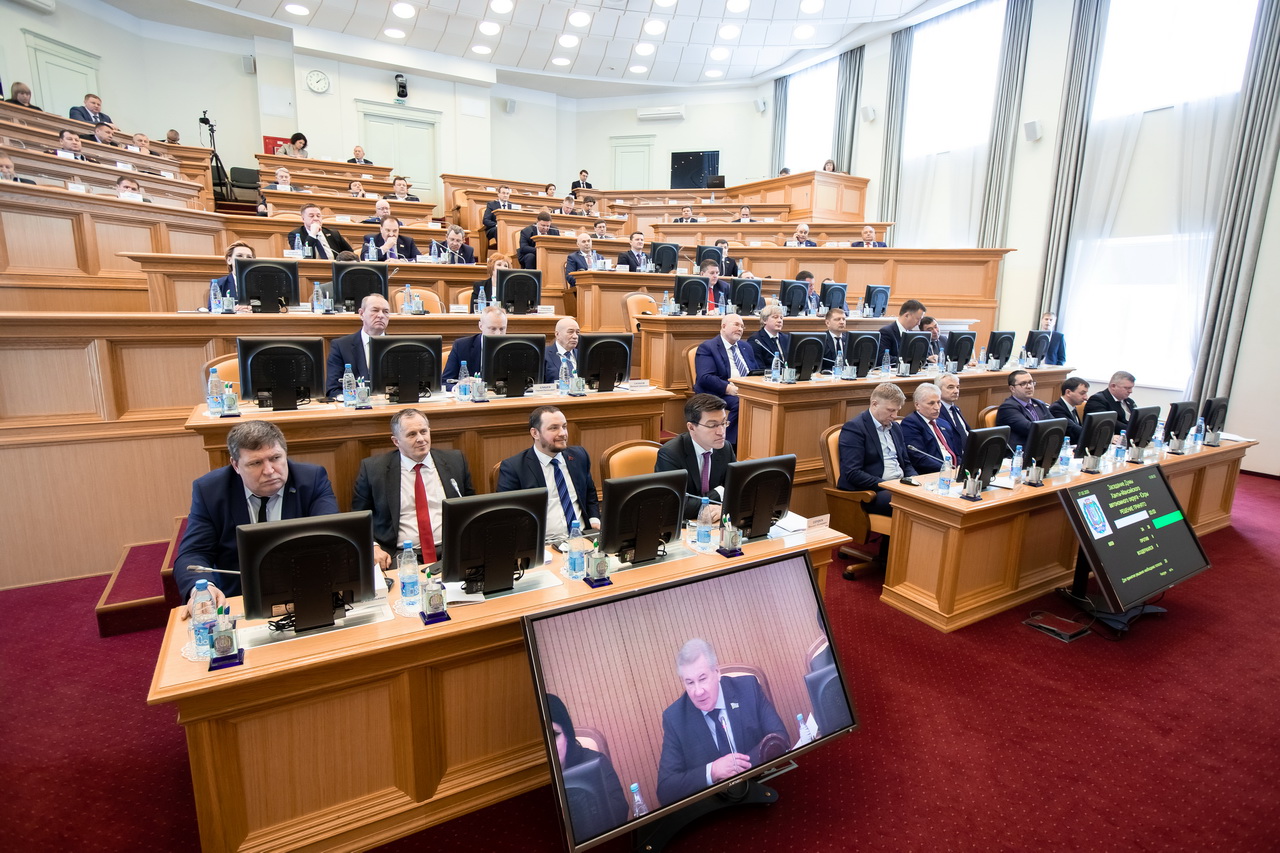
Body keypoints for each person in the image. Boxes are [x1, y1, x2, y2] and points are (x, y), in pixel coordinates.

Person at [173, 421, 338, 608]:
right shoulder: (210, 491)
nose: (269, 471)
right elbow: (193, 553)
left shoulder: (312, 480)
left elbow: (331, 539)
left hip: (305, 594)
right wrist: (201, 590)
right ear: (236, 465)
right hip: (238, 598)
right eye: (256, 463)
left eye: (275, 458)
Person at [655, 638, 788, 807]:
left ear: (717, 672)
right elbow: (666, 790)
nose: (698, 691)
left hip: (764, 790)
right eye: (690, 682)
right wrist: (713, 771)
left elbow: (779, 737)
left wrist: (739, 767)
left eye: (702, 678)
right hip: (717, 807)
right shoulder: (675, 718)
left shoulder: (748, 689)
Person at [351, 408, 474, 568]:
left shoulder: (455, 461)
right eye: (412, 434)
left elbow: (471, 506)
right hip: (399, 554)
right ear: (396, 441)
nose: (421, 439)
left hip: (452, 548)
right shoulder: (374, 469)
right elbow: (358, 518)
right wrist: (373, 547)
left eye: (423, 431)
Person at [497, 406, 601, 540]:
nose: (563, 433)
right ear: (535, 433)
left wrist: (594, 520)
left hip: (583, 537)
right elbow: (508, 515)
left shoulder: (579, 456)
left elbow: (590, 494)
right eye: (554, 428)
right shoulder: (514, 468)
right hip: (543, 544)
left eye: (564, 426)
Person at [546, 693, 628, 843]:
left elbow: (620, 812)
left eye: (554, 735)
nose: (548, 747)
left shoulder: (595, 762)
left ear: (567, 735)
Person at [837, 382, 917, 516]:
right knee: (912, 504)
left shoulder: (895, 427)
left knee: (928, 498)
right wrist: (888, 485)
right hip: (872, 491)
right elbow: (853, 473)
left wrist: (915, 480)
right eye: (891, 410)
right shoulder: (855, 428)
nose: (895, 415)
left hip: (898, 485)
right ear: (874, 404)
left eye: (897, 410)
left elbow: (906, 463)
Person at [656, 394, 737, 520]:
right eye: (712, 425)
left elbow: (735, 489)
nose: (721, 432)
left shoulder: (725, 448)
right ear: (691, 427)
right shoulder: (671, 453)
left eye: (723, 423)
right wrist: (718, 494)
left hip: (714, 521)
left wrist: (722, 508)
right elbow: (674, 504)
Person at [693, 313, 758, 445]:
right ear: (723, 326)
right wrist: (729, 388)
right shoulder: (708, 347)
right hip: (720, 392)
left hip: (747, 390)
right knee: (742, 403)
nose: (740, 329)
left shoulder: (746, 347)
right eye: (736, 325)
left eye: (742, 326)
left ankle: (755, 442)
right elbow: (705, 377)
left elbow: (755, 371)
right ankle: (728, 445)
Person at [325, 293, 392, 398]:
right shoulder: (341, 346)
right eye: (375, 310)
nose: (381, 315)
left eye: (385, 312)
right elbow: (333, 389)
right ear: (361, 314)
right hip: (355, 405)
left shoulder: (398, 346)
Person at [900, 383, 960, 474]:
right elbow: (919, 457)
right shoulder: (910, 423)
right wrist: (947, 470)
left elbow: (956, 453)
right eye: (931, 403)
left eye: (938, 402)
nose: (937, 407)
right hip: (932, 474)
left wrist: (961, 467)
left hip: (953, 472)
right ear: (917, 405)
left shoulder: (944, 424)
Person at [442, 305, 507, 383]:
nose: (498, 334)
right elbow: (445, 382)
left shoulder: (512, 348)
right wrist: (460, 385)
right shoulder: (461, 346)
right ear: (480, 326)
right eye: (493, 329)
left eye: (502, 329)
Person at [996, 370, 1053, 448]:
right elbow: (1030, 429)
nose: (1029, 386)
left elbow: (1055, 424)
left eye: (1031, 382)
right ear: (1012, 388)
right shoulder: (1007, 408)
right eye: (1023, 384)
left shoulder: (1039, 404)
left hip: (1042, 448)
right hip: (1020, 452)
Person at [287, 203, 354, 259]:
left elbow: (350, 253)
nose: (316, 218)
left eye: (318, 216)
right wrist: (312, 235)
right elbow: (301, 256)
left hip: (335, 268)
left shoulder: (333, 233)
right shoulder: (295, 234)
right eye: (311, 216)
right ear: (303, 219)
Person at [878, 299, 927, 363]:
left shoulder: (911, 333)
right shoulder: (886, 332)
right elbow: (882, 358)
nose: (919, 323)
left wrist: (927, 359)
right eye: (918, 319)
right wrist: (908, 361)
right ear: (907, 315)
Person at [936, 372, 970, 456]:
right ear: (938, 390)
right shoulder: (936, 412)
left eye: (957, 387)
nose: (956, 391)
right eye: (950, 387)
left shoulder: (956, 409)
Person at [1049, 376, 1089, 444]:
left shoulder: (1072, 407)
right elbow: (1074, 429)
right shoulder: (1056, 409)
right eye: (1082, 393)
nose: (1086, 397)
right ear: (1068, 392)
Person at [215, 241, 255, 307]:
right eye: (239, 256)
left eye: (249, 257)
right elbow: (213, 308)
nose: (245, 260)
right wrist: (234, 309)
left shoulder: (259, 283)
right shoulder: (219, 284)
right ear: (229, 260)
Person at [543, 317, 581, 383]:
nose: (575, 336)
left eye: (577, 332)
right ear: (557, 334)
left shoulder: (582, 355)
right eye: (570, 332)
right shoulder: (544, 355)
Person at [820, 307, 852, 371]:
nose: (842, 322)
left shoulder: (850, 339)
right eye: (837, 319)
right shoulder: (822, 339)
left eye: (844, 319)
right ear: (827, 323)